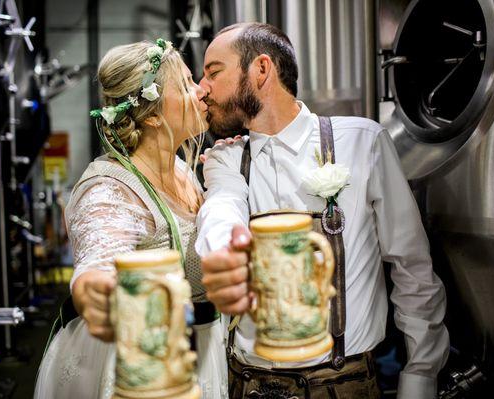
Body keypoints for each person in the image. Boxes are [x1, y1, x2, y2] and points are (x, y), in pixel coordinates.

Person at [196, 22, 449, 399]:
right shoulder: (226, 159)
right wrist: (225, 256)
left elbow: (412, 267)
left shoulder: (363, 142)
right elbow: (222, 208)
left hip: (345, 385)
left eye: (213, 72)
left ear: (262, 69)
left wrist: (420, 376)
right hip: (248, 385)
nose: (202, 89)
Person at [34, 39, 228, 399]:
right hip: (137, 362)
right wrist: (94, 286)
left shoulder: (184, 170)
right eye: (186, 84)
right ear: (153, 115)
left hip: (194, 351)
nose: (201, 90)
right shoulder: (109, 188)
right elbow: (100, 252)